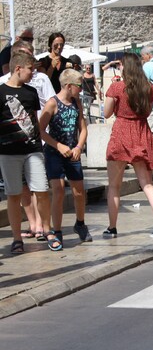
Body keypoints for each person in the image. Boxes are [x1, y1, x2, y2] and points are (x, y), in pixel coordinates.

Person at [103, 53, 153, 238]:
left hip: (121, 133)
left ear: (125, 66)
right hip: (141, 132)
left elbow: (107, 113)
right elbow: (147, 112)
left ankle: (112, 227)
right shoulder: (148, 89)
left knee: (114, 186)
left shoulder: (116, 87)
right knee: (147, 184)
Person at [0, 52, 58, 253]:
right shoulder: (0, 92)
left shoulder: (31, 93)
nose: (33, 73)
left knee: (41, 190)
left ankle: (48, 230)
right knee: (14, 195)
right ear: (18, 68)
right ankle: (17, 238)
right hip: (8, 152)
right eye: (30, 69)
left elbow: (34, 120)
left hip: (33, 150)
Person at [39, 69, 91, 245]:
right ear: (69, 86)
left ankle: (80, 223)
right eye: (79, 86)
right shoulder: (52, 104)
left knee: (78, 190)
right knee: (58, 189)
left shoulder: (76, 103)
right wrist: (57, 145)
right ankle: (58, 229)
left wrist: (79, 146)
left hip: (72, 151)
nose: (81, 89)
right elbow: (41, 130)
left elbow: (83, 127)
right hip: (55, 153)